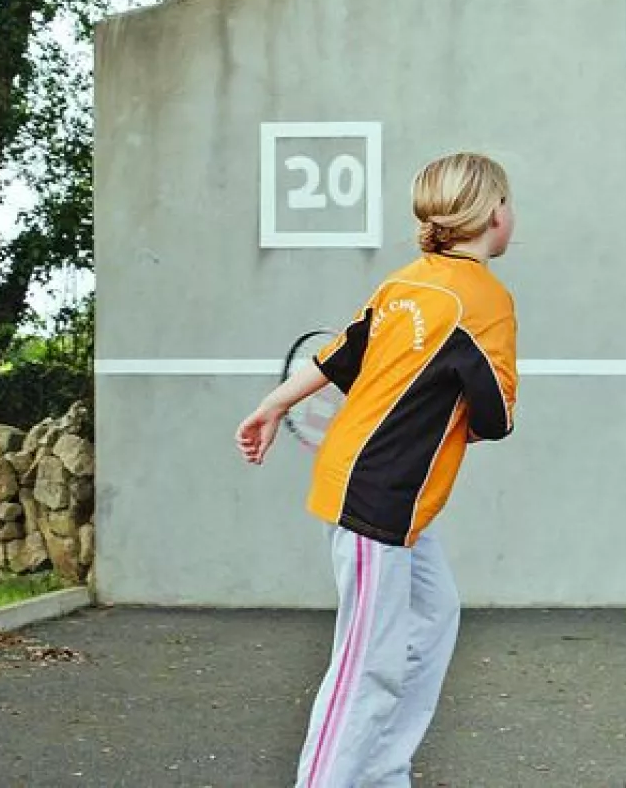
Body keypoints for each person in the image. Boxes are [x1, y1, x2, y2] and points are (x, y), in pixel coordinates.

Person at [236, 151, 519, 787]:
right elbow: (497, 416)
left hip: (392, 496)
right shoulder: (485, 302)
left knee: (436, 613)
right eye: (506, 200)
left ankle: (383, 773)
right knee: (367, 663)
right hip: (380, 499)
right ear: (492, 214)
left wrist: (272, 404)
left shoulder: (403, 284)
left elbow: (341, 354)